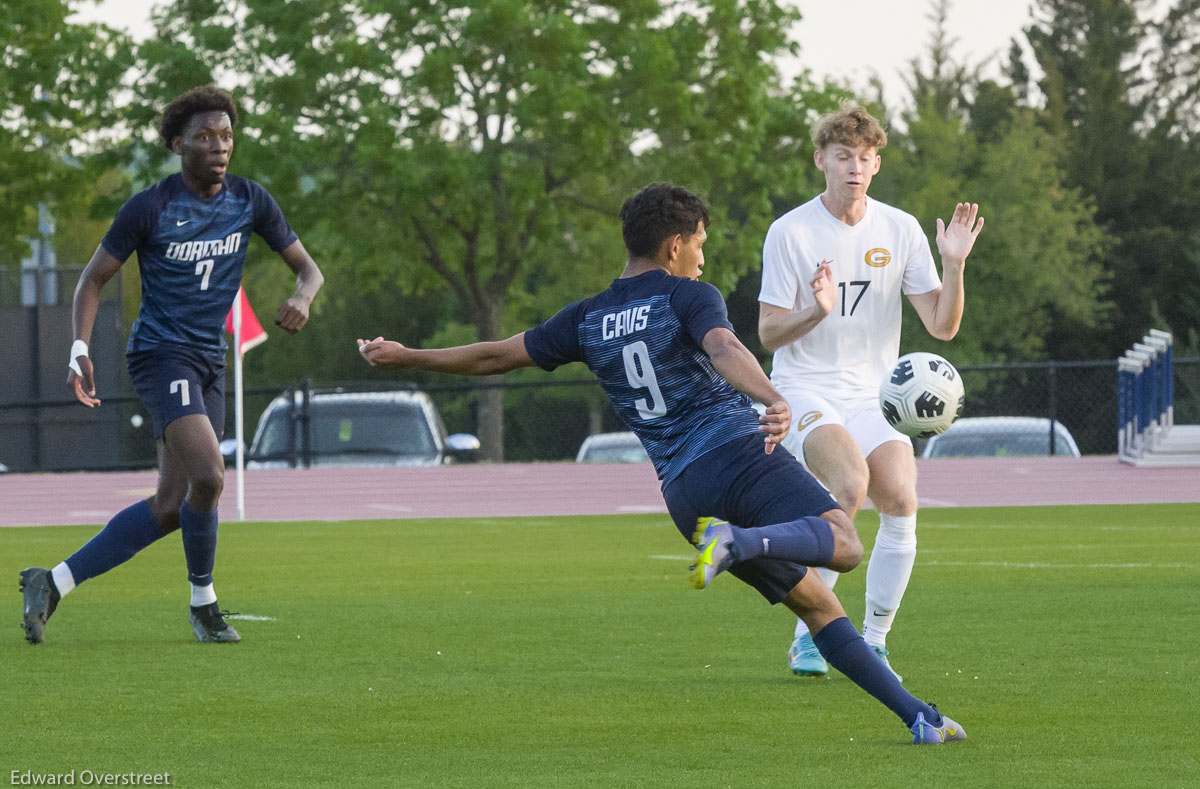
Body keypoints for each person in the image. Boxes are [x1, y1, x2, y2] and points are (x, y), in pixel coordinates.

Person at [357, 183, 964, 744]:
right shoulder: (688, 295)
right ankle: (741, 542)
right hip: (737, 453)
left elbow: (494, 357)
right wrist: (773, 398)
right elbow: (724, 346)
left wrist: (408, 354)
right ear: (675, 244)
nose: (702, 258)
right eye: (699, 244)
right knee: (845, 545)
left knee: (818, 607)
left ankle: (917, 717)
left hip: (683, 493)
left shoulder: (587, 318)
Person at [19, 86, 325, 645]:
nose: (219, 146)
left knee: (170, 505)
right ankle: (204, 606)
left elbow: (309, 270)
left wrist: (302, 296)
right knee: (209, 476)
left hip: (210, 359)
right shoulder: (150, 207)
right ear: (177, 144)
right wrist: (79, 349)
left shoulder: (251, 200)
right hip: (161, 355)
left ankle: (52, 580)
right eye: (205, 136)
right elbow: (92, 281)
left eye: (226, 135)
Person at [758, 105, 984, 679]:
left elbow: (942, 325)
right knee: (847, 486)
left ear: (876, 164)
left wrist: (954, 264)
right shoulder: (791, 231)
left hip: (873, 395)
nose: (854, 168)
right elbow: (766, 331)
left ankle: (874, 640)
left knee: (902, 501)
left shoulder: (901, 228)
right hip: (803, 388)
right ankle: (812, 634)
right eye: (842, 157)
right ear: (821, 161)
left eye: (864, 159)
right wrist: (815, 310)